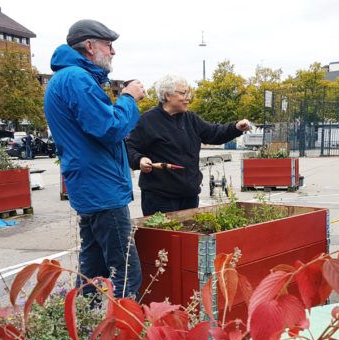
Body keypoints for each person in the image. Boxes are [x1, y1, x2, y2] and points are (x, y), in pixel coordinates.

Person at [44, 19, 146, 299]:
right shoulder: (76, 78)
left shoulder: (67, 78)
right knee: (126, 272)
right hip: (101, 188)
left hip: (91, 186)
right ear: (89, 46)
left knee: (93, 269)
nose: (113, 52)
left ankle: (81, 334)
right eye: (108, 45)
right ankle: (126, 335)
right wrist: (128, 98)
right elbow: (109, 128)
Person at [126, 74, 251, 216]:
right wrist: (140, 160)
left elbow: (214, 133)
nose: (188, 97)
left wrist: (236, 128)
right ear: (167, 95)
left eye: (188, 92)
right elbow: (130, 148)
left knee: (188, 237)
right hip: (160, 199)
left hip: (189, 197)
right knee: (164, 238)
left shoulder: (191, 119)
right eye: (183, 93)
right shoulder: (148, 120)